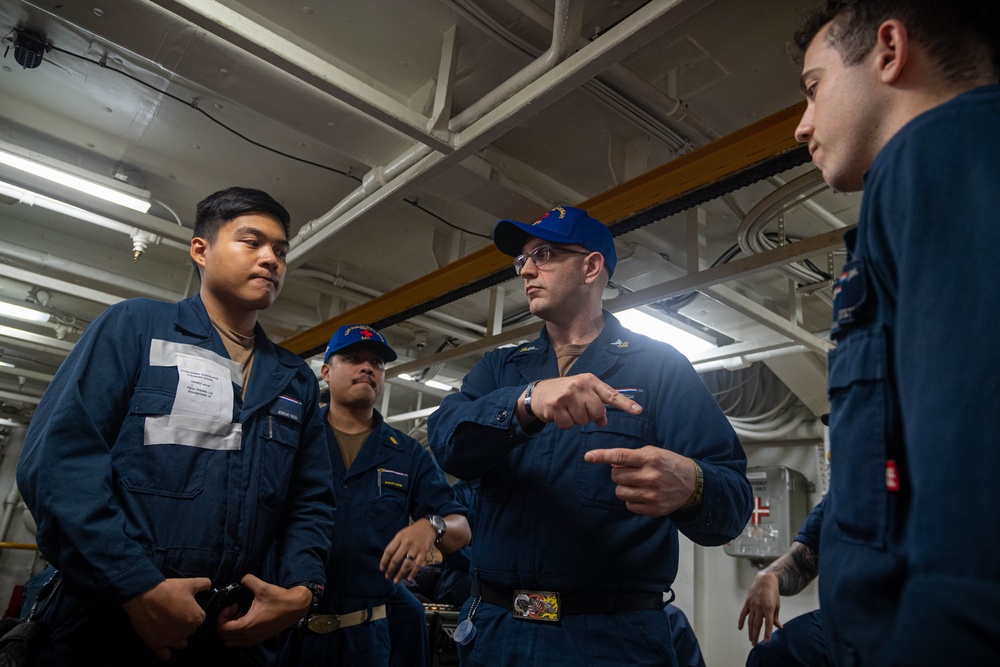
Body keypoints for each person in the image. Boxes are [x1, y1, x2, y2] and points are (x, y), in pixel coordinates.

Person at [14, 186, 336, 664]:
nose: (271, 259)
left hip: (234, 635)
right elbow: (58, 465)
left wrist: (301, 591)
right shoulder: (137, 327)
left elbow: (310, 502)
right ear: (200, 250)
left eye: (281, 250)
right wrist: (135, 586)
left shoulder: (294, 380)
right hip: (110, 623)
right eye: (252, 242)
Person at [427, 206, 753, 665]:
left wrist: (694, 485)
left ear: (591, 267)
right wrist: (526, 401)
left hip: (610, 639)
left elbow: (734, 502)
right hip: (496, 631)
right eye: (522, 261)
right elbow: (445, 442)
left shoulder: (659, 367)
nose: (527, 271)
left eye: (543, 254)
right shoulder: (502, 369)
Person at [793, 2, 1000, 663]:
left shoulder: (937, 151)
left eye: (813, 87)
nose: (802, 126)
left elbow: (977, 485)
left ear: (888, 50)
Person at [280, 324, 471, 666]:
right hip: (283, 633)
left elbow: (461, 527)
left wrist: (431, 526)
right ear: (326, 371)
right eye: (353, 358)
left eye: (377, 363)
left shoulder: (407, 453)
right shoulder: (293, 440)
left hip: (363, 640)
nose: (368, 367)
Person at [738, 496, 829, 667]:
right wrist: (770, 576)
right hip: (838, 623)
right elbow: (802, 561)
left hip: (889, 626)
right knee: (771, 653)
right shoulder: (842, 494)